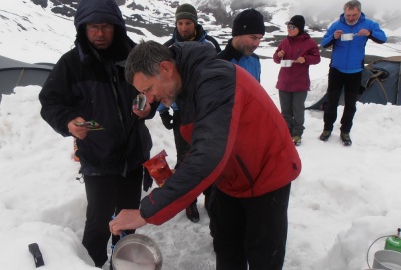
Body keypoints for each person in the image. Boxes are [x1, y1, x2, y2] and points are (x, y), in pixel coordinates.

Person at [110, 40, 302, 270]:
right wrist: (181, 172)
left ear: (165, 68)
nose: (149, 99)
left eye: (148, 89)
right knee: (227, 246)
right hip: (230, 177)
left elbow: (208, 153)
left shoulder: (215, 80)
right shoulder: (185, 84)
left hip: (266, 174)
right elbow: (203, 141)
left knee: (263, 255)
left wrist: (145, 211)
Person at [38, 0, 156, 268]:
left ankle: (122, 262)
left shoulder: (136, 58)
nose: (100, 33)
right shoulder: (71, 64)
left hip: (133, 156)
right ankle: (90, 264)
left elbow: (155, 89)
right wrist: (68, 121)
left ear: (117, 27)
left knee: (128, 220)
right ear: (82, 28)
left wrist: (149, 107)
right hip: (97, 157)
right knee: (98, 223)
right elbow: (50, 102)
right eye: (93, 27)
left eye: (105, 26)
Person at [159, 3, 222, 223]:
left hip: (208, 111)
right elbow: (160, 81)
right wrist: (163, 111)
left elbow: (221, 75)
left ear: (195, 23)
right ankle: (190, 202)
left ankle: (211, 200)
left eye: (188, 23)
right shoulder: (168, 49)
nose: (184, 27)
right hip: (182, 113)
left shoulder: (211, 45)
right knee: (186, 159)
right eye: (180, 23)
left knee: (211, 156)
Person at [319, 0, 386, 146]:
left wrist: (369, 33)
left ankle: (345, 131)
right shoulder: (337, 25)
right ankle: (327, 129)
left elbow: (383, 38)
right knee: (332, 102)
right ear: (344, 13)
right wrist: (333, 37)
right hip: (336, 69)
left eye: (354, 15)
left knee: (350, 104)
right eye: (348, 15)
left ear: (359, 12)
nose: (350, 17)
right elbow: (323, 43)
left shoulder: (368, 24)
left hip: (355, 71)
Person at [273, 15, 321, 146]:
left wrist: (305, 59)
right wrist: (278, 55)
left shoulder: (309, 42)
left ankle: (297, 134)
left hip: (300, 84)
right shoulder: (284, 42)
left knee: (298, 111)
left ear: (299, 28)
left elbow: (317, 58)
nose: (289, 29)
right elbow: (275, 59)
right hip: (284, 82)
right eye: (288, 27)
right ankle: (286, 132)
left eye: (292, 27)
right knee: (285, 111)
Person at [217, 8, 265, 82]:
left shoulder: (255, 60)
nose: (256, 44)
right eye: (253, 37)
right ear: (237, 34)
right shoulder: (219, 63)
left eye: (260, 38)